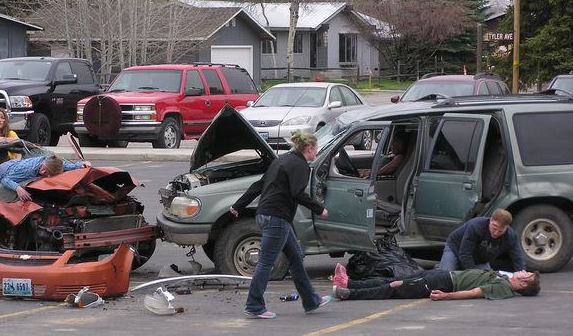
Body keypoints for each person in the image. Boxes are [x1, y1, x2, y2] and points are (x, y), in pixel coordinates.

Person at [229, 131, 331, 319]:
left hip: (265, 214)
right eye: (316, 149)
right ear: (309, 149)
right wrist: (319, 209)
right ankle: (254, 305)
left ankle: (311, 300)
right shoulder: (301, 166)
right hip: (276, 218)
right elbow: (297, 193)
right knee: (266, 262)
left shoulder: (282, 160)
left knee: (295, 258)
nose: (316, 152)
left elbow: (259, 184)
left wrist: (238, 205)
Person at [332, 263, 540, 301]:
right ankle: (350, 283)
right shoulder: (506, 277)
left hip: (443, 285)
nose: (523, 272)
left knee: (394, 288)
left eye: (526, 275)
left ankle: (349, 294)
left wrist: (446, 296)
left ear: (523, 285)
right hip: (443, 275)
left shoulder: (503, 287)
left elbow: (476, 292)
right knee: (394, 280)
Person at [439, 209, 525, 272]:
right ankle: (441, 268)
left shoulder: (511, 236)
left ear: (507, 227)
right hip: (455, 248)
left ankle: (456, 267)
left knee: (487, 280)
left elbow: (517, 258)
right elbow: (464, 253)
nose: (496, 233)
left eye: (500, 231)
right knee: (446, 277)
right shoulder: (476, 226)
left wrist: (522, 273)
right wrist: (474, 274)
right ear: (491, 220)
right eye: (494, 228)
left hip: (478, 259)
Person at [0, 155, 91, 202]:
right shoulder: (26, 170)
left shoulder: (52, 162)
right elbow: (5, 180)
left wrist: (82, 164)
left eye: (47, 172)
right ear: (43, 163)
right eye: (44, 168)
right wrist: (18, 188)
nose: (43, 172)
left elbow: (66, 166)